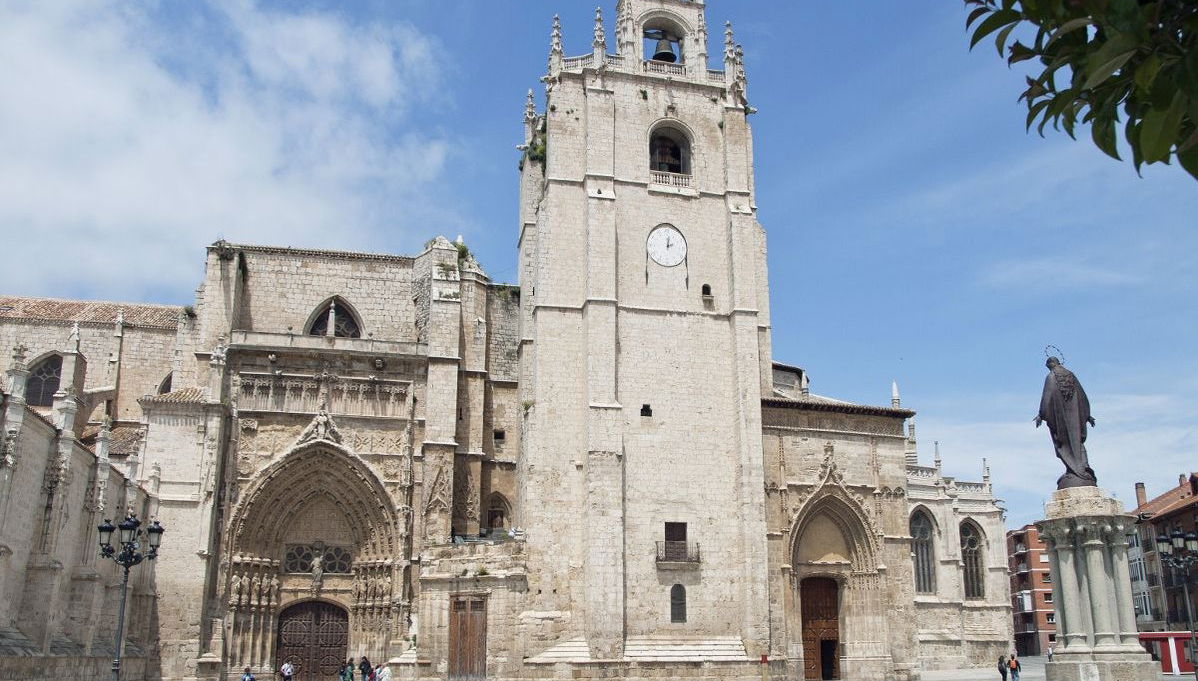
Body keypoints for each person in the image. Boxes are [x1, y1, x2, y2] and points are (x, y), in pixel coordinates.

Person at [1035, 356, 1097, 489]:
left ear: (1050, 364)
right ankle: (1083, 468)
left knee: (1064, 444)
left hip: (1061, 421)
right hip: (1076, 418)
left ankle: (1074, 471)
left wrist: (1041, 414)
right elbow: (1083, 397)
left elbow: (1046, 398)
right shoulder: (1071, 376)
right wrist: (1087, 415)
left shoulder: (1051, 377)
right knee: (1078, 443)